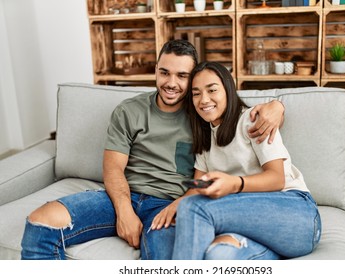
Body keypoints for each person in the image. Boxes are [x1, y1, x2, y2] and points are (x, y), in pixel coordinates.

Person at [20, 40, 285, 260]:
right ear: (156, 70)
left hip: (170, 206)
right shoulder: (129, 111)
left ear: (193, 80)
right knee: (40, 222)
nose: (171, 83)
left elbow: (240, 115)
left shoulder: (204, 113)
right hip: (121, 198)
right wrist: (124, 211)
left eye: (182, 76)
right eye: (165, 72)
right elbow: (113, 168)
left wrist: (277, 107)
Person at [171, 61, 321, 260]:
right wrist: (174, 207)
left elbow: (277, 179)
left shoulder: (252, 120)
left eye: (212, 90)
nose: (204, 100)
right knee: (219, 256)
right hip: (261, 230)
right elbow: (196, 187)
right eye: (196, 93)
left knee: (195, 207)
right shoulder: (206, 137)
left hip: (296, 213)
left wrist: (234, 184)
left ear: (228, 90)